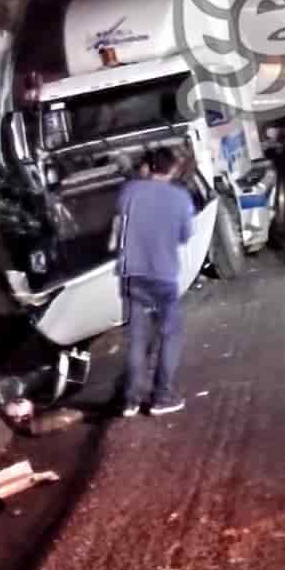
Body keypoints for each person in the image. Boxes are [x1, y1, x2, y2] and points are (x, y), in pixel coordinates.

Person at [117, 146, 198, 417]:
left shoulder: (129, 191)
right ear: (173, 169)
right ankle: (162, 397)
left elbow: (121, 220)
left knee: (137, 338)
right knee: (169, 334)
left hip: (133, 274)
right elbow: (186, 235)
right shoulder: (180, 198)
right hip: (163, 275)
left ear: (148, 167)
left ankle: (131, 400)